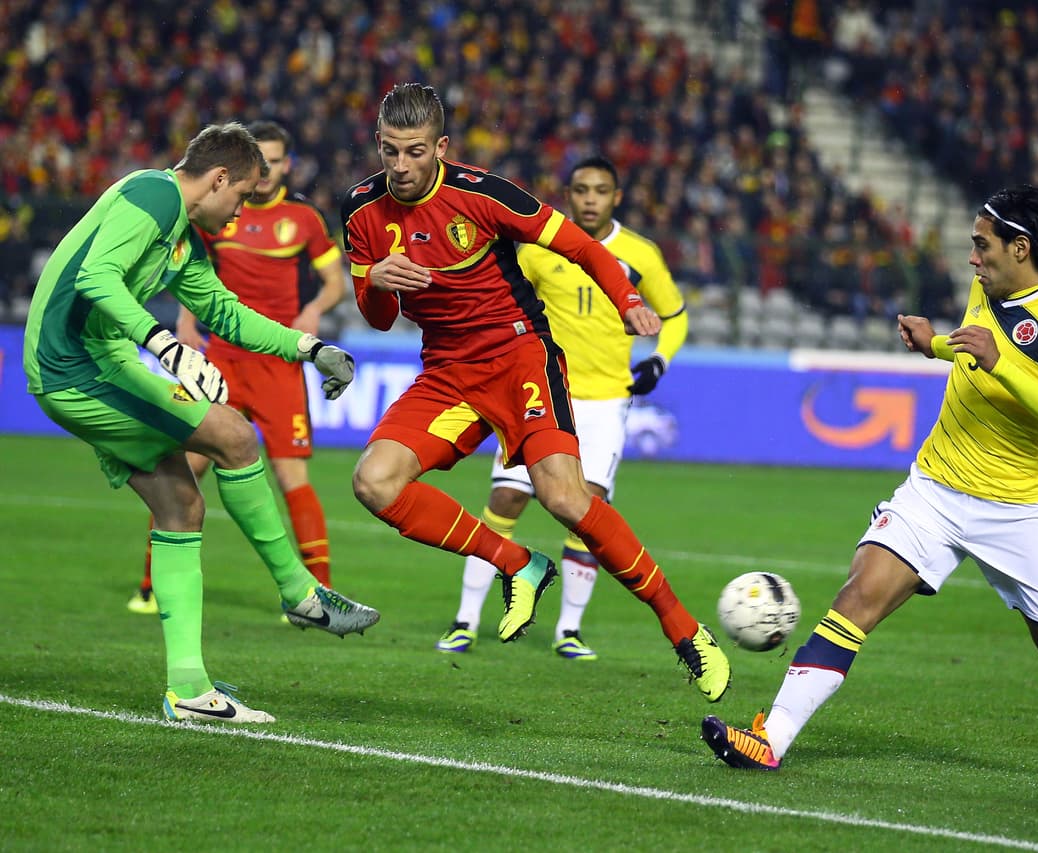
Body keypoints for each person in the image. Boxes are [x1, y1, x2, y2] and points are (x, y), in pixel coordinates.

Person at [701, 185, 1038, 785]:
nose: (973, 258)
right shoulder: (987, 289)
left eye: (982, 245)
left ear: (1020, 248)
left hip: (1016, 510)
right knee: (856, 598)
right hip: (936, 488)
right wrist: (937, 346)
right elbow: (975, 349)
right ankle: (770, 739)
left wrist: (999, 364)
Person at [342, 83, 729, 701]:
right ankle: (518, 562)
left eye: (415, 152)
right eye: (390, 152)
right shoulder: (361, 209)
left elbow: (578, 246)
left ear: (441, 146)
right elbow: (378, 317)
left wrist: (627, 299)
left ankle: (684, 630)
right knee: (374, 483)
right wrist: (379, 283)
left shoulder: (484, 194)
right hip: (446, 371)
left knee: (565, 498)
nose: (401, 167)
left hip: (520, 353)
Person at [23, 122, 379, 724]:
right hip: (74, 365)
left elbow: (223, 312)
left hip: (97, 361)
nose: (241, 212)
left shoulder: (183, 240)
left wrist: (307, 348)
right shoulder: (153, 195)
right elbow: (95, 278)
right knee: (235, 436)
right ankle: (300, 594)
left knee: (182, 508)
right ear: (217, 179)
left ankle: (188, 688)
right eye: (240, 195)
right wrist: (164, 343)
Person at [435, 155, 688, 660]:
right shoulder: (538, 247)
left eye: (600, 190)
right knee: (506, 500)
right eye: (580, 189)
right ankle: (465, 620)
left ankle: (568, 630)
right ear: (568, 194)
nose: (589, 198)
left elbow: (675, 315)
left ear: (617, 197)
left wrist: (659, 361)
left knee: (585, 513)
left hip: (606, 401)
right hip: (542, 393)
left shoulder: (641, 254)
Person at [127, 120, 347, 615]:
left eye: (273, 161)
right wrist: (185, 320)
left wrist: (315, 309)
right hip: (222, 358)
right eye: (258, 161)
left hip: (277, 362)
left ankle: (320, 590)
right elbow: (194, 274)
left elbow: (334, 281)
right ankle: (149, 586)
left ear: (286, 165)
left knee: (293, 477)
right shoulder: (219, 211)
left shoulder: (304, 218)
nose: (265, 172)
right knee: (187, 467)